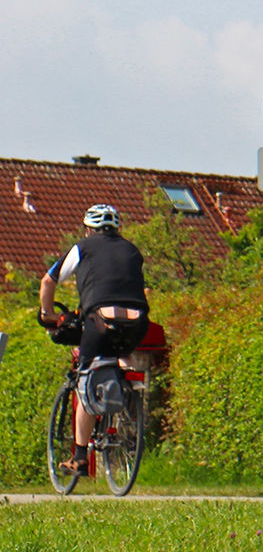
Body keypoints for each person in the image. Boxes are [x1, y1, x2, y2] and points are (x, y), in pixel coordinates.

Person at [38, 204, 150, 476]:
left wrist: (48, 314)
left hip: (99, 320)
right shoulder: (132, 250)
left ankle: (78, 457)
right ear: (117, 229)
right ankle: (125, 392)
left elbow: (47, 282)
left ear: (88, 229)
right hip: (138, 322)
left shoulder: (82, 248)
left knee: (84, 381)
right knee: (119, 352)